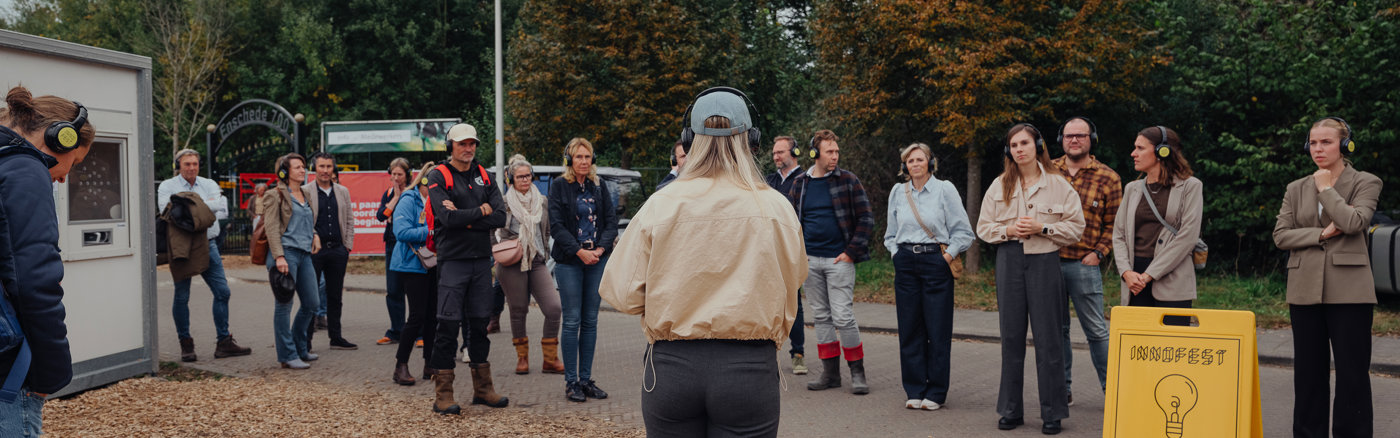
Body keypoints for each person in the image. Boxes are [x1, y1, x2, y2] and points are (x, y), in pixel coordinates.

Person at [600, 87, 807, 436]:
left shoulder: (660, 204)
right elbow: (794, 280)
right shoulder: (775, 208)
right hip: (749, 370)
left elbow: (622, 293)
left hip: (672, 369)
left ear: (689, 139)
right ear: (751, 141)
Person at [1273, 117, 1381, 438]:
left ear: (1345, 145)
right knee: (1308, 375)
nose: (1317, 149)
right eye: (1313, 143)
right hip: (1304, 289)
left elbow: (1353, 221)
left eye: (1326, 142)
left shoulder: (1366, 182)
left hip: (1350, 292)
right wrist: (1319, 233)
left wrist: (1325, 189)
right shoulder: (1295, 188)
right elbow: (1281, 236)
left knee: (1352, 375)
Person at [976, 123, 1083, 435]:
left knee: (1049, 339)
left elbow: (1076, 227)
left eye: (1024, 142)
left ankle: (1052, 413)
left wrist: (1044, 228)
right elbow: (983, 227)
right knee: (1010, 338)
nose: (1019, 148)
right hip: (1009, 261)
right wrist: (1008, 230)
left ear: (1038, 145)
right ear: (1008, 150)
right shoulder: (999, 186)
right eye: (1013, 144)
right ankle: (1011, 410)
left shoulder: (1058, 184)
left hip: (1044, 261)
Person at [0, 87, 93, 436]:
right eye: (76, 162)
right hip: (9, 371)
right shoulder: (25, 170)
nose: (67, 175)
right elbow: (34, 279)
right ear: (60, 139)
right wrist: (51, 371)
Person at [425, 123, 509, 414]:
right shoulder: (439, 174)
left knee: (479, 327)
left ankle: (483, 389)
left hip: (480, 261)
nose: (468, 148)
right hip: (453, 262)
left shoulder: (485, 174)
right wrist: (480, 211)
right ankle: (443, 394)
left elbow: (500, 216)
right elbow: (446, 219)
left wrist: (466, 216)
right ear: (451, 147)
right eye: (462, 144)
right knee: (447, 326)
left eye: (472, 143)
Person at [884, 143, 974, 411]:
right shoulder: (898, 192)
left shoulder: (945, 189)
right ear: (904, 166)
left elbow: (964, 232)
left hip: (936, 262)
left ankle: (935, 392)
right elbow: (890, 233)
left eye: (920, 159)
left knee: (937, 329)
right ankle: (914, 389)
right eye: (910, 160)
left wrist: (945, 258)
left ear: (930, 163)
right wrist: (895, 255)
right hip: (906, 263)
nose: (915, 164)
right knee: (910, 329)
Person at [788, 129, 875, 395]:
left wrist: (850, 252)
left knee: (844, 317)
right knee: (822, 317)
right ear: (815, 154)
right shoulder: (800, 184)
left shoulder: (848, 181)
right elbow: (790, 223)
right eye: (830, 152)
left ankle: (857, 373)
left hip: (839, 260)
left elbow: (866, 219)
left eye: (837, 151)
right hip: (810, 261)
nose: (835, 156)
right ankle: (830, 374)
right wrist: (799, 254)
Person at [157, 149, 253, 362]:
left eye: (195, 164)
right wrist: (201, 206)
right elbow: (169, 211)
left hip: (209, 245)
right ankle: (186, 343)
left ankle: (224, 342)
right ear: (178, 166)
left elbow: (220, 207)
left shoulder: (208, 183)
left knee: (223, 292)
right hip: (181, 246)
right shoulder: (167, 186)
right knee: (182, 296)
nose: (191, 167)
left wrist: (186, 205)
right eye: (187, 164)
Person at [1050, 117, 1121, 402]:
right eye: (1069, 136)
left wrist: (1099, 254)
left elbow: (1115, 225)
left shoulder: (1109, 177)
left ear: (1091, 138)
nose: (1074, 140)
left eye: (1080, 135)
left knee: (1096, 331)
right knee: (1057, 330)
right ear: (1061, 140)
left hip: (1084, 263)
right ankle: (1061, 390)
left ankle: (1113, 392)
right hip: (1049, 262)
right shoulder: (1048, 171)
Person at [549, 137, 618, 402]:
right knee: (572, 321)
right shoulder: (559, 186)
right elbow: (556, 226)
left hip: (596, 260)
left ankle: (586, 379)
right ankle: (571, 382)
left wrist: (599, 251)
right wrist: (580, 252)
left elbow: (610, 222)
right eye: (578, 157)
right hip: (570, 261)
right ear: (569, 160)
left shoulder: (599, 187)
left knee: (591, 321)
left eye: (587, 157)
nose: (583, 162)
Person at [1110, 126, 1202, 325]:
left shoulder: (1190, 186)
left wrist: (1149, 275)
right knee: (1139, 347)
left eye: (1140, 148)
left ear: (1163, 151)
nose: (1133, 154)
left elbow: (1188, 236)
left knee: (1171, 348)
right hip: (1135, 280)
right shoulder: (1132, 188)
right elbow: (1119, 235)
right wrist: (1126, 272)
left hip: (1171, 276)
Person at [494, 155, 565, 375]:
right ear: (511, 179)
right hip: (512, 261)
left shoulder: (541, 200)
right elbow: (493, 232)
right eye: (520, 177)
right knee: (518, 309)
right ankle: (522, 358)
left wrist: (542, 249)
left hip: (536, 260)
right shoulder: (504, 203)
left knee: (554, 308)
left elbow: (546, 230)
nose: (525, 180)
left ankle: (550, 360)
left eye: (528, 176)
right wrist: (501, 250)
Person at [261, 153, 322, 370]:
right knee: (284, 305)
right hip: (286, 254)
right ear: (284, 172)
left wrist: (314, 234)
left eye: (303, 166)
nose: (302, 170)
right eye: (297, 167)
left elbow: (307, 220)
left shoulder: (306, 193)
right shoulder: (274, 195)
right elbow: (271, 227)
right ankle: (287, 354)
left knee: (312, 303)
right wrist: (279, 256)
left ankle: (299, 346)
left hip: (305, 254)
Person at [388, 162, 440, 386]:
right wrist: (431, 232)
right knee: (417, 316)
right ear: (426, 181)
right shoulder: (409, 199)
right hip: (412, 265)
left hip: (434, 264)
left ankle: (429, 364)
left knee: (432, 316)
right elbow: (400, 231)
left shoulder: (438, 200)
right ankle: (400, 365)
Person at [303, 152, 357, 350]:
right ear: (314, 168)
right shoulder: (305, 191)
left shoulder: (342, 191)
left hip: (337, 251)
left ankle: (336, 337)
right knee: (311, 296)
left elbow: (350, 219)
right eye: (321, 166)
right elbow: (302, 220)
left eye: (328, 167)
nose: (325, 171)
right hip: (314, 252)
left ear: (333, 169)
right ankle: (305, 340)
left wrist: (347, 245)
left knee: (335, 296)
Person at [766, 135, 808, 375]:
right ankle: (767, 352)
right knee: (768, 302)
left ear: (795, 153)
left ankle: (798, 353)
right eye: (774, 153)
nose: (776, 157)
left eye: (780, 152)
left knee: (794, 304)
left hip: (793, 251)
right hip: (769, 251)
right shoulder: (768, 181)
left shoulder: (805, 181)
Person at [375, 158, 413, 346]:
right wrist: (395, 198)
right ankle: (396, 331)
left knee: (414, 290)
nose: (396, 178)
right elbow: (381, 215)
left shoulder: (414, 192)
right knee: (393, 289)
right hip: (392, 245)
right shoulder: (389, 193)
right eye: (393, 174)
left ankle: (420, 333)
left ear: (407, 175)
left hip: (412, 246)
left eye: (400, 174)